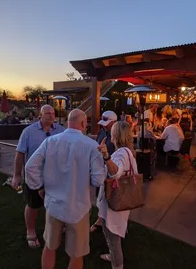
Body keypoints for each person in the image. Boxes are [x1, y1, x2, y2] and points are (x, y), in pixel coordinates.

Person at [25, 109, 106, 269]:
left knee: (49, 247)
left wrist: (39, 186)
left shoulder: (50, 141)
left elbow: (30, 167)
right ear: (83, 124)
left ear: (68, 122)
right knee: (76, 254)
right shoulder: (92, 146)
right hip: (79, 208)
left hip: (53, 205)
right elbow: (98, 180)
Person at [11, 105, 65, 249]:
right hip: (35, 177)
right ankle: (31, 231)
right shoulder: (29, 132)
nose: (51, 116)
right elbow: (20, 154)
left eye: (53, 113)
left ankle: (56, 228)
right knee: (33, 205)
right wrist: (17, 175)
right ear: (40, 115)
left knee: (56, 204)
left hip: (55, 177)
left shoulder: (61, 130)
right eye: (47, 113)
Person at [97, 121, 139, 269]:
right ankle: (113, 256)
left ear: (115, 135)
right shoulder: (129, 151)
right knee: (115, 233)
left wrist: (106, 157)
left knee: (112, 237)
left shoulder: (120, 153)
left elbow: (116, 173)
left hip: (115, 201)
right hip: (124, 199)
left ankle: (117, 263)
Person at [92, 111, 117, 233]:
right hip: (101, 166)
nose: (104, 125)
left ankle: (110, 221)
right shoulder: (102, 131)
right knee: (100, 195)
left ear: (114, 122)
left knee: (111, 195)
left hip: (112, 167)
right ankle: (100, 218)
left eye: (107, 123)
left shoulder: (117, 134)